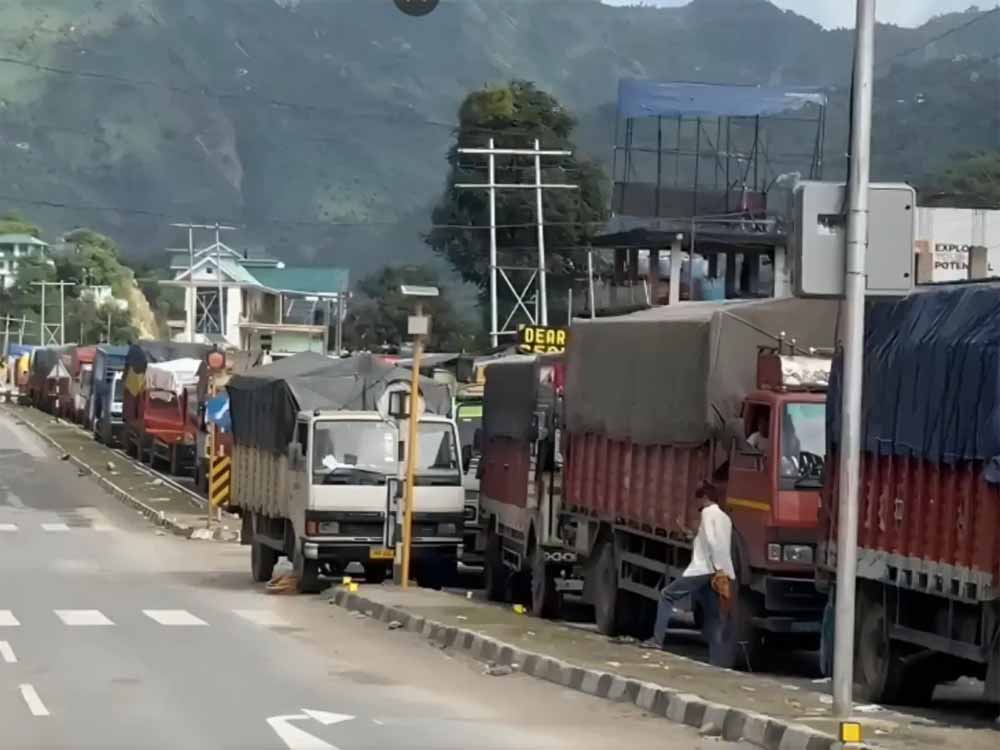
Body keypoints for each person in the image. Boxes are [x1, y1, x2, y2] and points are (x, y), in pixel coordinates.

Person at [644, 482, 736, 650]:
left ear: (705, 497)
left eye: (698, 500)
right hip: (720, 572)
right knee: (714, 612)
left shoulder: (707, 513)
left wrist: (716, 567)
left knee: (666, 595)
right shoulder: (726, 518)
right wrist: (690, 534)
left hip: (703, 569)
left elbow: (711, 541)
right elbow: (715, 542)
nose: (698, 505)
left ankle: (657, 640)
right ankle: (718, 650)